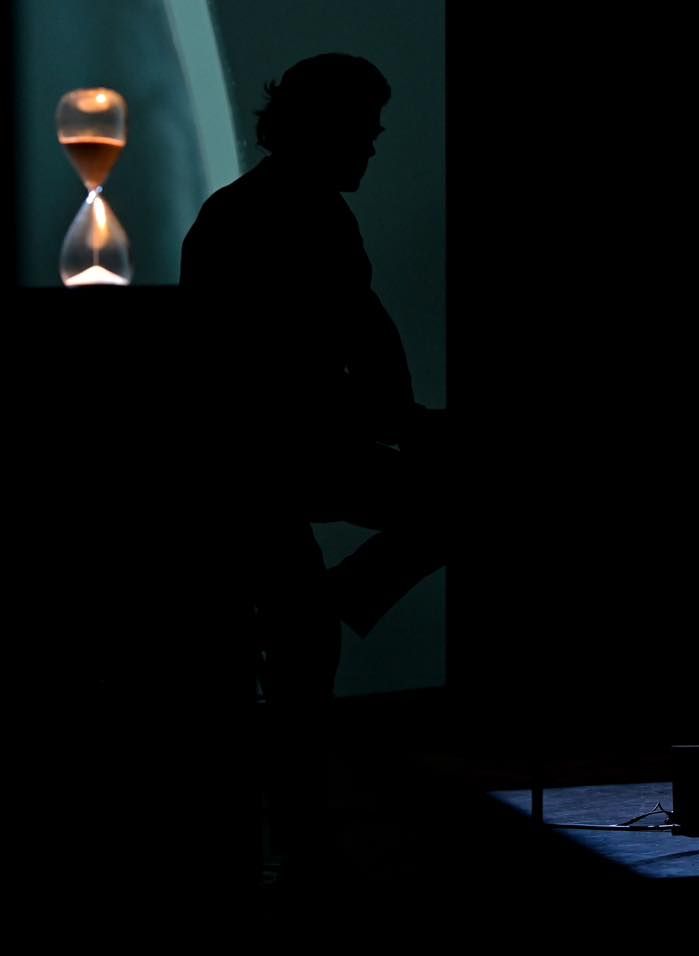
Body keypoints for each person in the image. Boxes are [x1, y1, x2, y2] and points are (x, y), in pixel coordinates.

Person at [179, 53, 449, 872]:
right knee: (304, 644)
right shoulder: (292, 216)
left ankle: (293, 811)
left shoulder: (270, 209)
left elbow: (352, 346)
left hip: (269, 458)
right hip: (266, 462)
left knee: (302, 643)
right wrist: (406, 426)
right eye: (363, 128)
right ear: (325, 129)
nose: (372, 143)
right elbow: (312, 361)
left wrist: (401, 423)